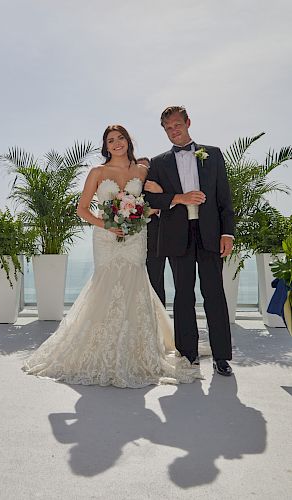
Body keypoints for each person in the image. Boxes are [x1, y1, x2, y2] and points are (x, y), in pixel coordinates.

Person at [23, 125, 202, 388]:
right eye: (111, 140)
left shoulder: (143, 171)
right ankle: (99, 348)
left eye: (120, 138)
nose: (116, 143)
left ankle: (137, 350)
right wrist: (107, 224)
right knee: (105, 286)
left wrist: (141, 213)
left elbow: (153, 204)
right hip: (106, 238)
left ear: (128, 141)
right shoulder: (98, 172)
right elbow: (82, 209)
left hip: (135, 237)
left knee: (134, 284)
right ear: (105, 146)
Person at [144, 106, 234, 376]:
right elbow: (149, 200)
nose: (174, 131)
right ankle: (188, 354)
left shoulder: (213, 154)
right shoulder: (158, 163)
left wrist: (227, 233)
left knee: (214, 294)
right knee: (183, 296)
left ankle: (221, 357)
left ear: (188, 123)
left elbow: (224, 198)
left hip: (209, 234)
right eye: (168, 128)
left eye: (177, 125)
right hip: (176, 236)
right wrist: (178, 198)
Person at [137, 156, 167, 306]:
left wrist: (158, 205)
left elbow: (171, 207)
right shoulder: (130, 190)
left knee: (156, 280)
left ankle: (159, 319)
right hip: (133, 242)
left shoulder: (158, 187)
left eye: (146, 169)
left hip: (156, 242)